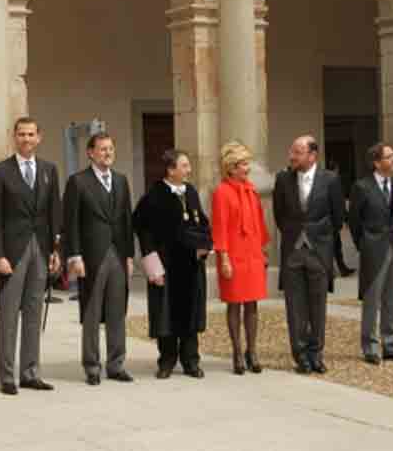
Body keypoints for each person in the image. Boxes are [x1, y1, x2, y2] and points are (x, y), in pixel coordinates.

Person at [0, 116, 62, 396]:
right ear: (13, 137)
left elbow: (55, 211)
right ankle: (7, 376)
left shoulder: (49, 170)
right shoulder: (0, 171)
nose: (26, 139)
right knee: (9, 315)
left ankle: (30, 372)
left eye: (31, 134)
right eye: (21, 134)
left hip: (40, 249)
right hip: (12, 252)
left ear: (39, 137)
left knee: (33, 312)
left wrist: (56, 251)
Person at [63, 132, 135, 385]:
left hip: (117, 253)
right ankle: (92, 366)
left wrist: (129, 255)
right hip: (91, 256)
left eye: (111, 149)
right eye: (102, 149)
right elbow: (70, 223)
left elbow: (127, 219)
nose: (107, 153)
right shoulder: (77, 182)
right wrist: (74, 256)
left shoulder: (121, 180)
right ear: (90, 153)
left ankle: (116, 364)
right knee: (92, 313)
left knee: (117, 312)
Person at [133, 149, 211, 379]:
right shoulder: (153, 196)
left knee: (190, 314)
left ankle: (191, 360)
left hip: (190, 265)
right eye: (184, 166)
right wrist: (152, 265)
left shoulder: (192, 192)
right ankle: (166, 361)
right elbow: (142, 230)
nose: (189, 170)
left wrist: (206, 245)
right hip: (165, 265)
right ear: (171, 170)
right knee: (165, 315)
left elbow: (203, 222)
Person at [273, 135, 344, 374]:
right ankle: (300, 355)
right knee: (295, 307)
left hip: (319, 251)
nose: (292, 156)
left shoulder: (330, 180)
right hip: (293, 251)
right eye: (292, 151)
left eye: (297, 152)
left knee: (318, 306)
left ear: (313, 155)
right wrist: (295, 234)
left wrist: (319, 237)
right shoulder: (282, 179)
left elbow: (337, 218)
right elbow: (279, 215)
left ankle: (316, 353)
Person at [211, 141, 270, 375]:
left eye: (247, 163)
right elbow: (220, 227)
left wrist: (262, 251)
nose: (247, 168)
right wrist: (223, 258)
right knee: (234, 303)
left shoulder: (251, 189)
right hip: (233, 254)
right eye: (243, 164)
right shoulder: (221, 193)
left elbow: (259, 223)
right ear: (231, 167)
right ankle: (237, 352)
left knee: (253, 303)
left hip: (252, 252)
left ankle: (252, 351)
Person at [349, 143, 393, 365]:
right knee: (372, 300)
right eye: (389, 156)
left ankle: (391, 344)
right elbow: (354, 221)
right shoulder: (362, 187)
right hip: (373, 250)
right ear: (377, 162)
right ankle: (370, 346)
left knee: (392, 299)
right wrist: (364, 244)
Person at [327, 160, 355, 278]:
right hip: (331, 219)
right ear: (337, 168)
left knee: (333, 246)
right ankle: (337, 269)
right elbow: (339, 201)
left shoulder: (323, 178)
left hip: (325, 218)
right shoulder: (334, 179)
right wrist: (341, 220)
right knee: (335, 246)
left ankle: (339, 268)